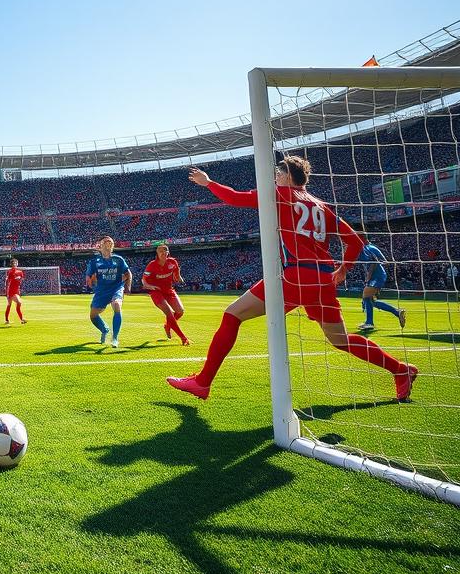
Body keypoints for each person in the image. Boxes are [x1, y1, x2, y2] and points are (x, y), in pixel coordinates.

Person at [167, 159, 417, 403]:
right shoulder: (321, 205)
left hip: (296, 276)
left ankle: (202, 382)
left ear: (287, 176)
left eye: (278, 172)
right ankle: (399, 369)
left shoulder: (279, 193)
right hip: (322, 280)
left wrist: (208, 182)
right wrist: (342, 270)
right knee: (340, 339)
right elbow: (355, 241)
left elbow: (234, 197)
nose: (275, 175)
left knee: (232, 315)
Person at [86, 237, 131, 348]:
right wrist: (91, 283)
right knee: (93, 315)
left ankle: (115, 338)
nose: (108, 244)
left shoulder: (119, 259)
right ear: (100, 246)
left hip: (116, 288)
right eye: (105, 242)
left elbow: (128, 273)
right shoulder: (94, 262)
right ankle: (104, 329)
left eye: (110, 242)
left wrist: (128, 287)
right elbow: (88, 278)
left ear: (112, 246)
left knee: (116, 305)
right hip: (102, 290)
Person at [142, 243, 190, 346]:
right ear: (157, 253)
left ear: (168, 252)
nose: (163, 253)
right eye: (161, 251)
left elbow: (177, 272)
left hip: (169, 290)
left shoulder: (172, 262)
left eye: (165, 251)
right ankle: (183, 338)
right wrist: (149, 286)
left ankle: (167, 326)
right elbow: (144, 280)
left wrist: (179, 277)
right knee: (169, 312)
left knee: (180, 311)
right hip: (156, 291)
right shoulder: (152, 265)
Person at [356, 236, 405, 332]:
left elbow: (375, 262)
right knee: (371, 301)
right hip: (376, 276)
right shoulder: (367, 248)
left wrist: (368, 277)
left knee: (366, 297)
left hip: (377, 276)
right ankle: (397, 312)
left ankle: (369, 322)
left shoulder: (368, 249)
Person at [4, 259, 25, 324]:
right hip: (10, 290)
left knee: (10, 305)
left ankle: (21, 320)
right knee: (17, 303)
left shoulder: (20, 272)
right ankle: (20, 319)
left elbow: (21, 280)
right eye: (13, 263)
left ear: (17, 264)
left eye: (16, 263)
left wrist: (19, 280)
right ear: (11, 264)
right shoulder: (10, 272)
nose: (14, 264)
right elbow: (7, 281)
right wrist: (6, 291)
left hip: (17, 290)